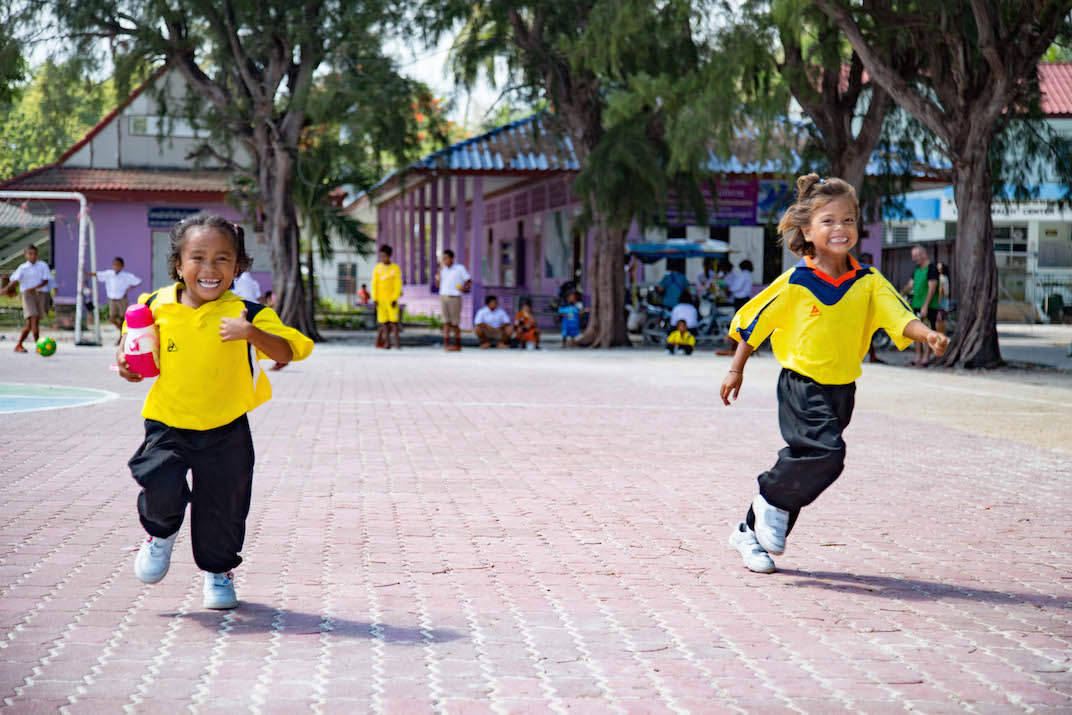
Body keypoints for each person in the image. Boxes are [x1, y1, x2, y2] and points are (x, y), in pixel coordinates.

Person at [720, 174, 948, 575]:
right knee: (826, 452)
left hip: (842, 388)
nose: (839, 229)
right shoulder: (796, 280)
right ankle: (767, 499)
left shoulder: (868, 281)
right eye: (828, 221)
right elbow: (755, 322)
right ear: (807, 230)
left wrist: (927, 333)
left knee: (815, 460)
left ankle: (749, 531)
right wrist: (736, 368)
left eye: (847, 220)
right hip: (801, 382)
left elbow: (898, 316)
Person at [115, 214, 313, 609]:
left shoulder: (248, 311)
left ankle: (218, 573)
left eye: (223, 259)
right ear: (178, 264)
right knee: (161, 484)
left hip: (227, 427)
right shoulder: (154, 305)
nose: (210, 269)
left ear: (238, 266)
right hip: (168, 421)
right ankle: (160, 534)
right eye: (198, 258)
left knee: (224, 506)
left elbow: (290, 351)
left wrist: (252, 334)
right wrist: (125, 364)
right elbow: (131, 354)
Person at [3, 245, 52, 353]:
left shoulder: (42, 266)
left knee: (31, 324)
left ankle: (19, 344)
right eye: (29, 254)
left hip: (40, 294)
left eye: (34, 254)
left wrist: (32, 288)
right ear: (25, 255)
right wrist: (5, 289)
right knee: (33, 317)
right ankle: (39, 344)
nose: (32, 256)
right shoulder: (23, 268)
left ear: (37, 254)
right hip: (28, 296)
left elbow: (45, 281)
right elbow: (15, 281)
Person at [86, 256, 143, 343]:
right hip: (112, 300)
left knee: (122, 319)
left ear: (122, 266)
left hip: (122, 300)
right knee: (112, 318)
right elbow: (97, 274)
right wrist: (85, 273)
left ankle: (122, 337)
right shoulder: (109, 274)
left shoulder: (126, 276)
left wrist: (129, 288)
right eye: (114, 265)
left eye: (118, 265)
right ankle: (125, 332)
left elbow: (138, 281)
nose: (116, 266)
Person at [902, 245, 940, 367]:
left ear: (923, 255)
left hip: (928, 307)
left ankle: (926, 358)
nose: (914, 259)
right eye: (913, 256)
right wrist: (900, 294)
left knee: (927, 331)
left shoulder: (932, 268)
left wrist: (925, 305)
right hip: (916, 305)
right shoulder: (917, 270)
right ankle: (918, 357)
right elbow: (910, 284)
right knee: (916, 332)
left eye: (916, 256)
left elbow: (932, 287)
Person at [434, 249, 471, 352]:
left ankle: (457, 344)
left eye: (446, 258)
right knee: (445, 322)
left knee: (455, 322)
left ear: (452, 258)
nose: (444, 261)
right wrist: (438, 272)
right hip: (444, 296)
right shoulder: (442, 269)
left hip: (455, 297)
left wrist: (465, 289)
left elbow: (468, 280)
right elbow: (437, 284)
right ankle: (446, 344)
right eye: (443, 259)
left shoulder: (459, 268)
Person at [716, 260, 755, 356]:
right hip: (745, 299)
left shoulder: (742, 276)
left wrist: (727, 289)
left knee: (738, 323)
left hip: (740, 300)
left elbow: (736, 287)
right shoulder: (748, 276)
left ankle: (735, 345)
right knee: (743, 323)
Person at [371, 244, 402, 350]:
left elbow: (398, 284)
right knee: (383, 323)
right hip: (380, 299)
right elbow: (374, 284)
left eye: (385, 256)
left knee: (394, 322)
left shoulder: (395, 268)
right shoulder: (377, 268)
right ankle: (387, 343)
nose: (383, 258)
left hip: (391, 300)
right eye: (381, 256)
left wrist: (395, 298)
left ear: (389, 256)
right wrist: (374, 298)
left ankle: (397, 344)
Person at [860, 252, 885, 364]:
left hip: (868, 309)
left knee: (868, 335)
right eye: (870, 261)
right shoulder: (862, 274)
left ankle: (872, 356)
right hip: (862, 309)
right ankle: (871, 357)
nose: (872, 264)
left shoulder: (870, 274)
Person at [935, 262, 951, 337]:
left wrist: (937, 302)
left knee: (939, 320)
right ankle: (942, 336)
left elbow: (941, 291)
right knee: (942, 319)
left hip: (941, 301)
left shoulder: (941, 278)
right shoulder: (945, 278)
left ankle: (940, 336)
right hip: (944, 302)